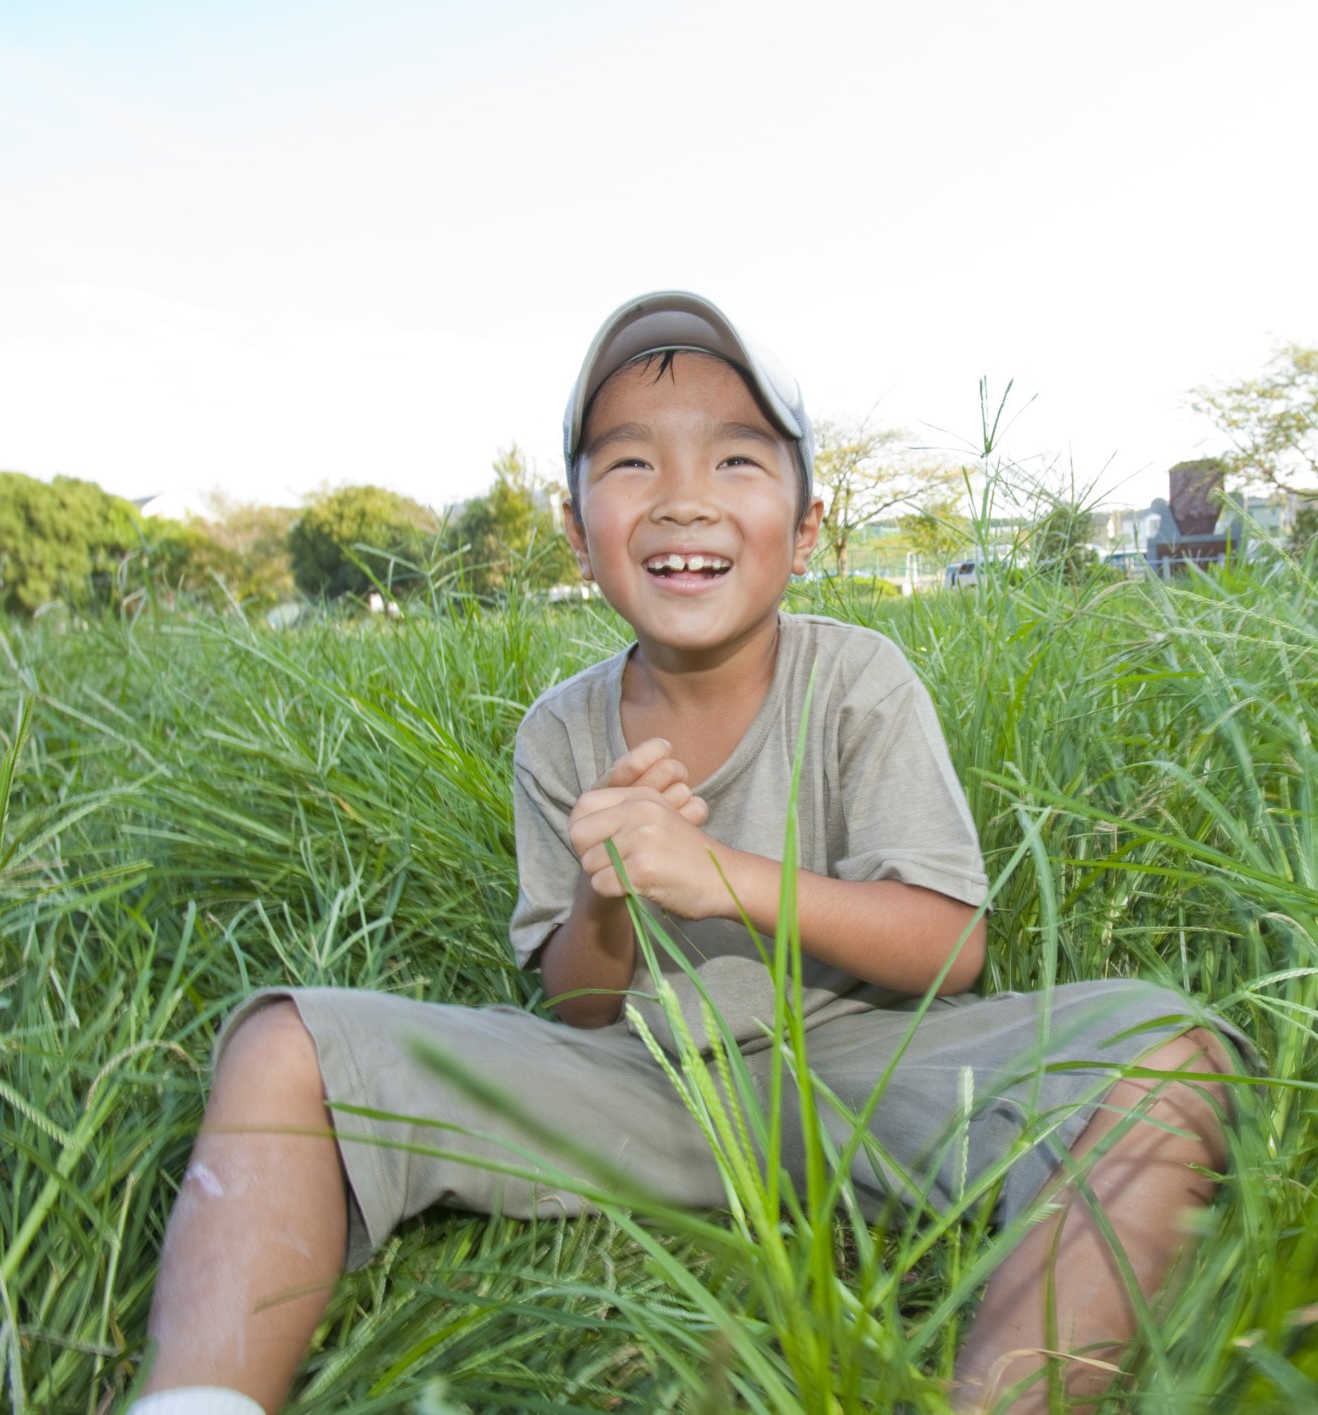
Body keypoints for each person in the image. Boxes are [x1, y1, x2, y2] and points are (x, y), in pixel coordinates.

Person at [134, 292, 1246, 1415]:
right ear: (577, 531)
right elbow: (578, 1009)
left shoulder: (858, 681)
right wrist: (602, 896)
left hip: (865, 1068)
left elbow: (952, 945)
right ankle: (198, 1396)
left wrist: (725, 879)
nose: (680, 499)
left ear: (808, 526)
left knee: (1167, 1051)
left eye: (734, 460)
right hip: (644, 1083)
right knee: (286, 1044)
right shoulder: (560, 731)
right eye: (628, 464)